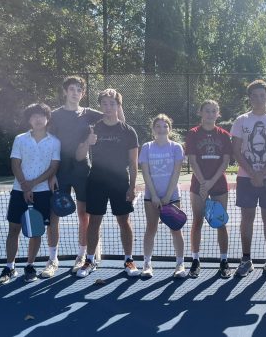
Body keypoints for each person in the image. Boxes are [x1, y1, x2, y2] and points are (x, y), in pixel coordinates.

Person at [44, 76, 125, 278]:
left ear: (83, 93)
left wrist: (117, 98)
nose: (75, 92)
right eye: (71, 89)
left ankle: (81, 257)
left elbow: (120, 122)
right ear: (65, 92)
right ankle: (52, 260)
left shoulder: (90, 114)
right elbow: (47, 144)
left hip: (82, 170)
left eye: (79, 89)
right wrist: (51, 173)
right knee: (54, 215)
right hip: (59, 172)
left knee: (84, 215)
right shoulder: (54, 116)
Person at [77, 88, 141, 278]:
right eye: (104, 103)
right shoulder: (92, 128)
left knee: (124, 221)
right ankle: (89, 260)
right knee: (94, 221)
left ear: (118, 106)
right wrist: (88, 142)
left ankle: (129, 259)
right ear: (100, 106)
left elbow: (133, 162)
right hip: (96, 180)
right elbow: (79, 156)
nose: (107, 107)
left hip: (120, 181)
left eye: (112, 103)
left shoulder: (128, 131)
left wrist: (132, 185)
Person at [0, 103, 60, 285]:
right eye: (34, 116)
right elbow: (15, 163)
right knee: (13, 229)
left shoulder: (55, 141)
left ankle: (30, 265)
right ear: (29, 120)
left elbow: (53, 167)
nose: (38, 119)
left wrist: (33, 184)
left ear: (47, 119)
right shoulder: (20, 139)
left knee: (36, 231)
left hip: (42, 193)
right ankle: (9, 267)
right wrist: (25, 186)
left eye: (41, 116)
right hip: (19, 191)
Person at [230, 79, 266, 278]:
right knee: (247, 219)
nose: (258, 99)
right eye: (254, 95)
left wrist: (262, 174)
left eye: (262, 95)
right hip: (246, 179)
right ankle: (246, 260)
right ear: (249, 98)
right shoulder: (241, 121)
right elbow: (236, 151)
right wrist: (253, 174)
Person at [185, 100, 232, 278]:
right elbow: (192, 160)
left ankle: (224, 261)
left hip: (218, 183)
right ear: (200, 112)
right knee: (198, 221)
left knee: (220, 222)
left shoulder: (224, 134)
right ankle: (195, 261)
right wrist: (203, 182)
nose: (210, 114)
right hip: (198, 184)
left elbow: (225, 161)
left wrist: (210, 183)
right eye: (207, 111)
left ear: (218, 114)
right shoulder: (193, 134)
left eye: (214, 111)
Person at [140, 114, 187, 278]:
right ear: (153, 130)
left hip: (172, 196)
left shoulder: (176, 148)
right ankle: (147, 264)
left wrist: (167, 196)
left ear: (170, 129)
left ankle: (180, 265)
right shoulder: (147, 147)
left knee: (176, 229)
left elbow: (176, 173)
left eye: (165, 126)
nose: (161, 129)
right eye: (158, 126)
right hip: (151, 197)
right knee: (151, 229)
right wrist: (154, 195)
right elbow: (145, 173)